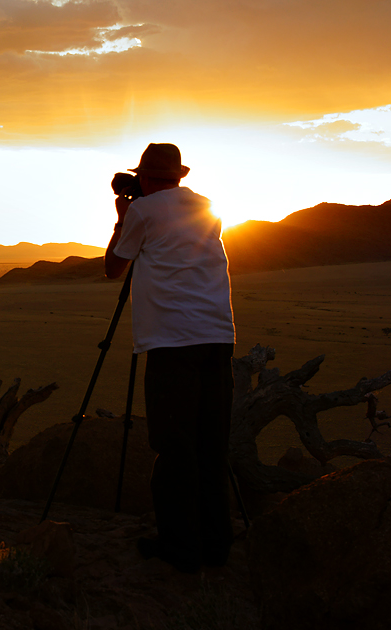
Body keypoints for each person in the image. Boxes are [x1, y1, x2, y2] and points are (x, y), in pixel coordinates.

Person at [104, 143, 236, 573]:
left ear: (144, 176)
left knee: (174, 448)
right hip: (217, 338)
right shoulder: (208, 207)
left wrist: (122, 219)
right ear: (178, 176)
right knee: (211, 445)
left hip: (171, 343)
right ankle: (217, 547)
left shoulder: (142, 212)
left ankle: (179, 551)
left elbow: (114, 268)